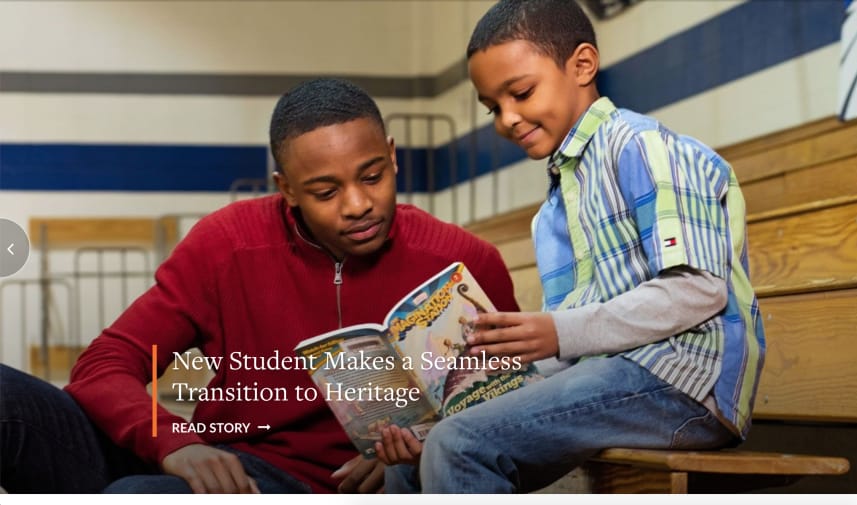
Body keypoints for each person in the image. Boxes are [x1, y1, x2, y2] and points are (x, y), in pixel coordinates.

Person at [0, 78, 519, 494]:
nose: (358, 204)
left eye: (372, 175)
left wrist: (420, 455)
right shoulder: (226, 244)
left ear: (392, 154)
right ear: (286, 188)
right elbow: (105, 365)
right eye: (325, 190)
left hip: (305, 485)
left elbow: (508, 416)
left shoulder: (465, 262)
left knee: (141, 493)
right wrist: (174, 441)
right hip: (215, 459)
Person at [378, 0, 766, 493]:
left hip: (681, 384)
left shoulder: (644, 148)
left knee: (460, 444)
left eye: (521, 93)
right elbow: (573, 343)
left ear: (582, 65)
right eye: (494, 107)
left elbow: (699, 289)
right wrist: (492, 378)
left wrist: (559, 332)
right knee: (419, 451)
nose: (507, 119)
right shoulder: (554, 210)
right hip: (611, 381)